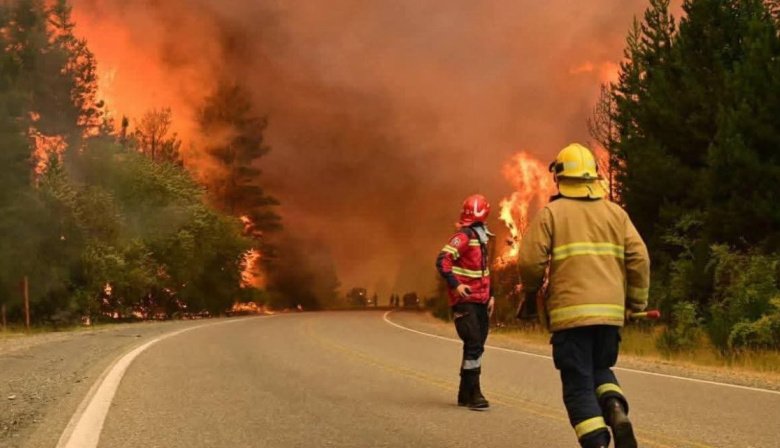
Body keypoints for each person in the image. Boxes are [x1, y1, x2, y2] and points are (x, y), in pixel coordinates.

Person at [517, 143, 650, 448]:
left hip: (570, 316)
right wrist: (636, 302)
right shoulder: (616, 214)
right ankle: (616, 408)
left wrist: (531, 290)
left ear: (560, 177)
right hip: (609, 317)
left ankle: (597, 444)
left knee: (578, 383)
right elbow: (640, 258)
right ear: (592, 176)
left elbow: (529, 261)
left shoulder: (552, 214)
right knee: (600, 369)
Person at [436, 194, 495, 410]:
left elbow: (486, 270)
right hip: (465, 300)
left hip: (481, 299)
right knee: (474, 344)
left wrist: (492, 295)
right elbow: (443, 260)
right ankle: (475, 393)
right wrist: (456, 285)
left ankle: (464, 393)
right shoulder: (463, 236)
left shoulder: (482, 237)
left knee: (476, 347)